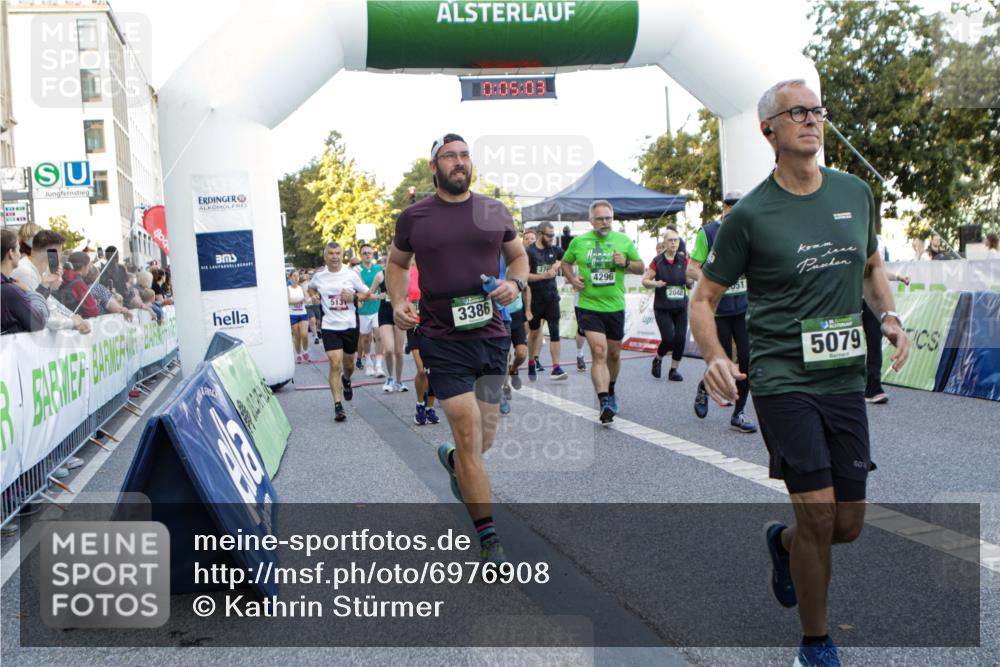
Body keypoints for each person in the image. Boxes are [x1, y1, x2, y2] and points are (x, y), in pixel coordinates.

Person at [689, 79, 910, 667]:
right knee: (816, 512)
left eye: (816, 110)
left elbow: (869, 265)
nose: (812, 119)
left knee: (847, 524)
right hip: (784, 378)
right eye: (797, 112)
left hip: (844, 378)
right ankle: (816, 643)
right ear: (770, 130)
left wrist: (887, 315)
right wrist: (715, 353)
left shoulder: (856, 192)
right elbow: (704, 299)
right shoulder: (751, 215)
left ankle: (782, 545)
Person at [387, 133, 526, 565]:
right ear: (434, 167)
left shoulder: (493, 210)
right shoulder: (414, 217)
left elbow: (519, 258)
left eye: (465, 155)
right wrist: (397, 302)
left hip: (490, 335)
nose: (459, 162)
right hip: (441, 338)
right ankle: (490, 541)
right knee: (466, 432)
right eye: (450, 156)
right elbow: (396, 264)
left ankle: (455, 461)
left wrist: (514, 283)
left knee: (483, 438)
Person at [561, 200, 643, 424]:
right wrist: (572, 279)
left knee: (614, 354)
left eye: (608, 218)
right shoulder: (579, 242)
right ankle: (604, 400)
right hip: (588, 306)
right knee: (598, 351)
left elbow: (641, 266)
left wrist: (625, 262)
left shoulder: (623, 241)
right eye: (600, 218)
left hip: (615, 306)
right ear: (591, 221)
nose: (604, 222)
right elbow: (565, 263)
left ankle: (612, 387)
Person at [687, 191, 757, 433]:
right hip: (718, 310)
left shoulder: (750, 229)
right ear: (724, 207)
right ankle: (704, 387)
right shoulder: (708, 233)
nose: (737, 211)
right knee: (723, 361)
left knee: (747, 361)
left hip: (744, 308)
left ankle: (739, 414)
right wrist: (714, 280)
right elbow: (692, 269)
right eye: (732, 206)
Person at [308, 241, 372, 423]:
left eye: (337, 253)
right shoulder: (319, 276)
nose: (335, 256)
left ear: (341, 255)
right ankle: (338, 405)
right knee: (335, 363)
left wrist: (352, 297)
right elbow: (311, 287)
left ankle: (347, 379)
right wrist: (314, 295)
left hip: (350, 325)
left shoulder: (351, 274)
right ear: (325, 256)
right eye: (331, 253)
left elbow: (366, 293)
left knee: (348, 364)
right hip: (330, 326)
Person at [11, 229, 90, 335]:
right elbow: (42, 316)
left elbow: (49, 302)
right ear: (52, 252)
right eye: (60, 252)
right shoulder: (26, 273)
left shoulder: (38, 270)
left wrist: (73, 317)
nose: (60, 256)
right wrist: (73, 322)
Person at [642, 229, 690, 381]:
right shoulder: (657, 261)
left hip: (681, 307)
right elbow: (645, 281)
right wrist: (655, 283)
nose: (674, 243)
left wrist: (690, 282)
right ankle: (658, 358)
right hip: (663, 307)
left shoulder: (684, 261)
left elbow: (690, 282)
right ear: (665, 243)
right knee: (669, 338)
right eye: (671, 240)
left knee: (681, 338)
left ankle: (673, 370)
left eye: (676, 240)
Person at [526, 221, 567, 381]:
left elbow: (570, 258)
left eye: (553, 235)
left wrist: (558, 263)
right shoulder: (529, 252)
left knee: (555, 332)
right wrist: (544, 275)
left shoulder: (554, 250)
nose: (552, 238)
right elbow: (525, 276)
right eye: (549, 235)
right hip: (535, 299)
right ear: (540, 234)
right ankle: (531, 361)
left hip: (551, 298)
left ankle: (556, 367)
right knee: (535, 333)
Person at [863, 270, 910, 404]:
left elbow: (877, 269)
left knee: (874, 342)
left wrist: (898, 276)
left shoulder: (869, 251)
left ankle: (873, 388)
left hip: (871, 302)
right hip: (845, 300)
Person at [1, 229, 47, 334]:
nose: (20, 253)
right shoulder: (8, 290)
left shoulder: (9, 286)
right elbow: (39, 322)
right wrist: (29, 292)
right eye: (18, 249)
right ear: (11, 253)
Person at [355, 244, 386, 378]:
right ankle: (368, 362)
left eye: (369, 252)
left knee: (379, 336)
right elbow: (358, 290)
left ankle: (379, 365)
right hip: (364, 309)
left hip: (378, 307)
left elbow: (385, 285)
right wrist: (358, 299)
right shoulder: (357, 270)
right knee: (366, 338)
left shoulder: (379, 268)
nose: (368, 254)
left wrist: (384, 295)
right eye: (364, 252)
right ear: (361, 255)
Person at [58, 252, 101, 318]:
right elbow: (93, 311)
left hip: (64, 317)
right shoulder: (78, 284)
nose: (89, 268)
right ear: (83, 267)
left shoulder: (61, 278)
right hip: (79, 321)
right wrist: (95, 303)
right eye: (88, 265)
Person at [287, 269, 310, 363]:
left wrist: (307, 299)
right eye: (294, 276)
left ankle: (305, 351)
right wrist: (299, 301)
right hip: (293, 315)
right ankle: (298, 354)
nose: (296, 278)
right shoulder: (288, 289)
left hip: (302, 314)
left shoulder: (301, 288)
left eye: (297, 276)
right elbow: (288, 301)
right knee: (297, 337)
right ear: (290, 278)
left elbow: (307, 297)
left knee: (304, 334)